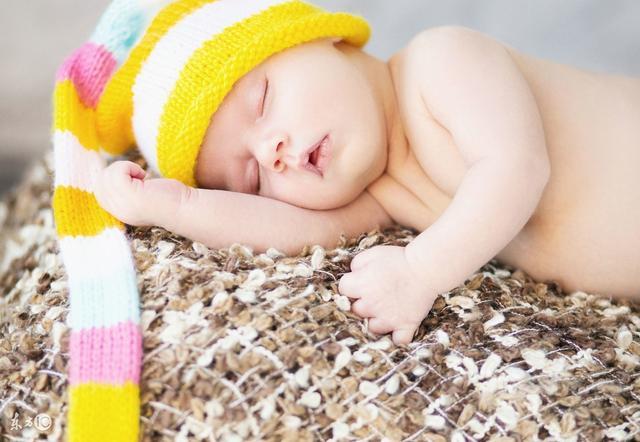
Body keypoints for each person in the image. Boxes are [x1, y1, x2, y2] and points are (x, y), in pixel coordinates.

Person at [94, 7, 640, 346]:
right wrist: (176, 207)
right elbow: (298, 233)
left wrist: (421, 270)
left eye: (262, 100)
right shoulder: (381, 190)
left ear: (324, 38)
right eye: (253, 176)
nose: (271, 151)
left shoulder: (442, 60)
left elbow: (517, 167)